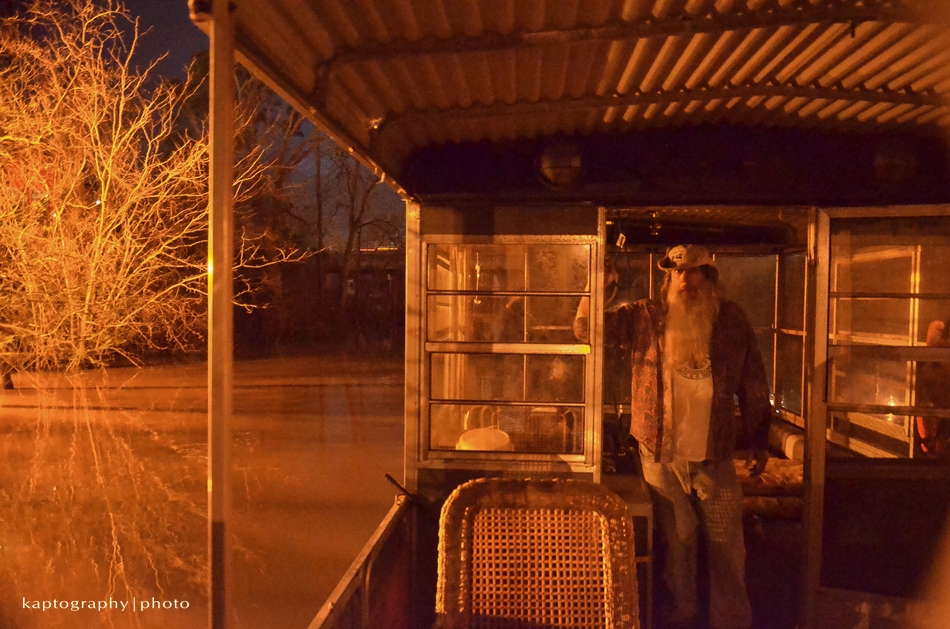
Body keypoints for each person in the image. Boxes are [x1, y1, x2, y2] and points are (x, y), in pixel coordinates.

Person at [575, 244, 772, 629]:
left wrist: (760, 437)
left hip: (713, 456)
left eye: (694, 271)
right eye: (677, 273)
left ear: (709, 277)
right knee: (678, 546)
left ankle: (729, 622)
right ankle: (682, 617)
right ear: (667, 278)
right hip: (660, 455)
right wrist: (596, 279)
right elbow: (586, 329)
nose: (685, 279)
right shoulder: (646, 316)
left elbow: (753, 379)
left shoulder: (731, 319)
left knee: (727, 550)